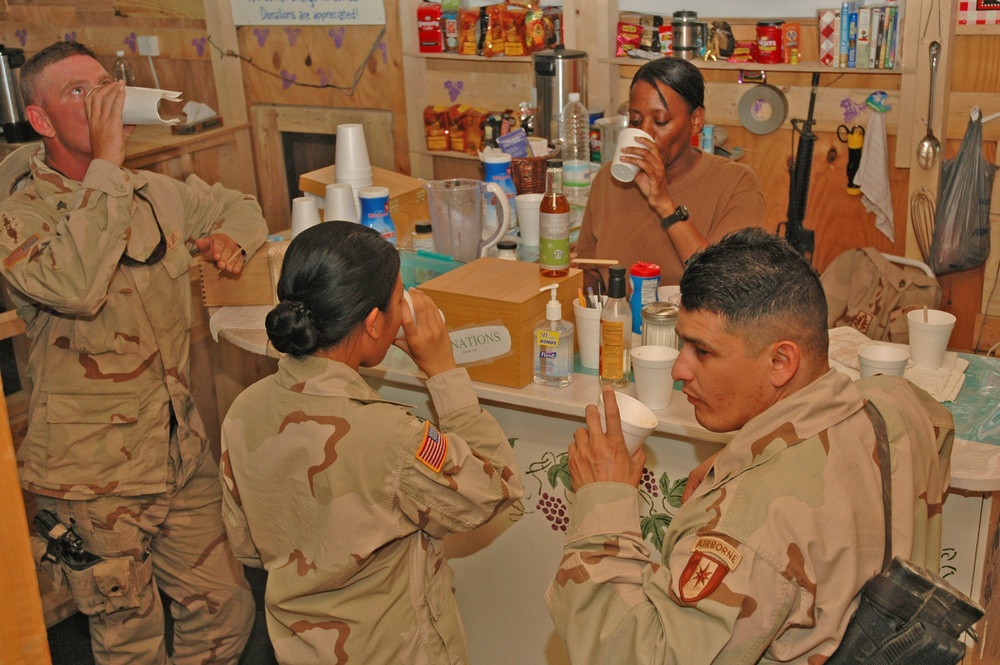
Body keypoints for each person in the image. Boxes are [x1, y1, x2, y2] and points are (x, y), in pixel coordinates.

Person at [547, 228, 953, 663]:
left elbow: (639, 655)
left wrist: (605, 506)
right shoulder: (897, 405)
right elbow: (936, 420)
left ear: (781, 362)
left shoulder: (746, 529)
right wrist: (757, 450)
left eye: (701, 351)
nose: (679, 369)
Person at [0, 41, 265, 664]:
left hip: (176, 448)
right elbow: (75, 284)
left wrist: (232, 238)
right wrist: (109, 168)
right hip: (92, 474)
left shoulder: (150, 193)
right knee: (129, 635)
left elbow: (239, 204)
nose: (103, 102)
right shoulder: (21, 216)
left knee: (226, 609)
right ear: (39, 121)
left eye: (103, 85)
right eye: (78, 92)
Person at [219, 222, 525, 664]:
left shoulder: (243, 410)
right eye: (400, 299)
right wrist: (443, 371)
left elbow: (246, 545)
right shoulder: (392, 436)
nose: (405, 311)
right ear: (375, 322)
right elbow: (497, 488)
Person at [574, 58, 767, 289]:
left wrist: (664, 204)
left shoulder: (738, 184)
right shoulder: (609, 180)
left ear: (695, 121)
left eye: (660, 121)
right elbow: (591, 273)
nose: (645, 132)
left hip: (690, 325)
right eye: (635, 120)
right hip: (617, 323)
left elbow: (725, 284)